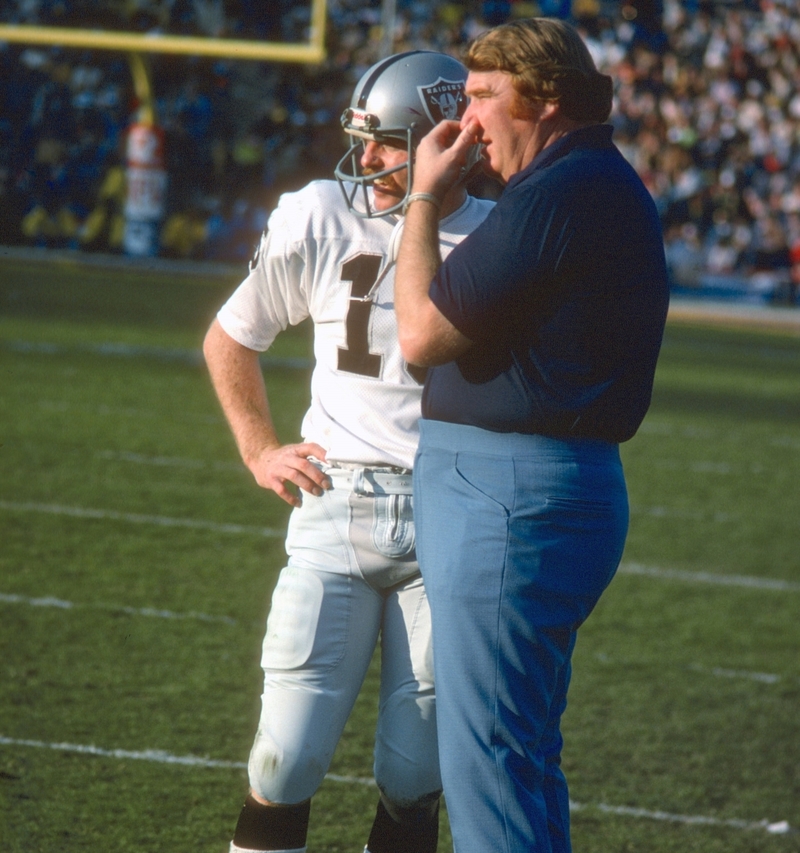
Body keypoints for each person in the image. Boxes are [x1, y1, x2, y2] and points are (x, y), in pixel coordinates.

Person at [202, 50, 494, 853]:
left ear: (449, 139)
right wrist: (261, 448)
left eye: (386, 142)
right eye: (360, 139)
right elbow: (230, 337)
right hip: (335, 506)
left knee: (414, 774)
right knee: (284, 754)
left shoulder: (504, 233)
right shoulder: (320, 212)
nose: (364, 160)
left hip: (450, 517)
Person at [393, 18, 670, 853]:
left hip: (509, 497)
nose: (467, 118)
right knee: (522, 755)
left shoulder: (560, 190)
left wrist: (422, 198)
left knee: (488, 763)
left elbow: (419, 335)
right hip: (540, 489)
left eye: (483, 95)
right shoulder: (588, 182)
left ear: (545, 97)